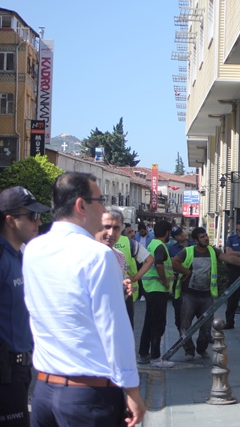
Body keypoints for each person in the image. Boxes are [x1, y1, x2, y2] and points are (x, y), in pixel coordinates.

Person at [22, 172, 146, 427]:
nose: (103, 209)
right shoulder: (98, 255)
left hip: (45, 389)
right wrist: (132, 389)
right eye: (100, 201)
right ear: (81, 205)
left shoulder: (34, 248)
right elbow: (114, 329)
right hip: (88, 394)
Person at [0, 186, 49, 427]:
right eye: (31, 216)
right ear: (10, 220)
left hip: (17, 369)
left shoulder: (18, 257)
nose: (37, 222)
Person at [172, 227, 240, 361]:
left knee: (206, 327)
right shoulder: (188, 251)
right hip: (189, 295)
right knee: (185, 325)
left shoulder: (213, 251)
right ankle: (189, 351)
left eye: (206, 235)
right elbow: (174, 262)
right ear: (195, 240)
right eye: (202, 237)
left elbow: (230, 259)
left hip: (206, 296)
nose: (206, 238)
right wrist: (187, 272)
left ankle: (201, 349)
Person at [96, 208, 154, 329]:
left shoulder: (119, 256)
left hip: (120, 307)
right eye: (106, 227)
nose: (111, 233)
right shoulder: (86, 252)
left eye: (116, 228)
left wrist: (126, 284)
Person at [138, 220, 175, 368]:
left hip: (149, 288)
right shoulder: (160, 246)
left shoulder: (152, 244)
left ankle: (143, 354)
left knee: (149, 323)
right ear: (167, 232)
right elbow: (159, 264)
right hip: (158, 289)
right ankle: (155, 357)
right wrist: (165, 281)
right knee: (158, 324)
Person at [167, 226, 194, 333]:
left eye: (181, 232)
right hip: (178, 283)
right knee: (178, 310)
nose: (181, 234)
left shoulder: (194, 245)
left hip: (194, 281)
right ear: (175, 238)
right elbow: (168, 265)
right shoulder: (172, 249)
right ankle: (181, 333)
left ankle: (205, 334)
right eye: (178, 234)